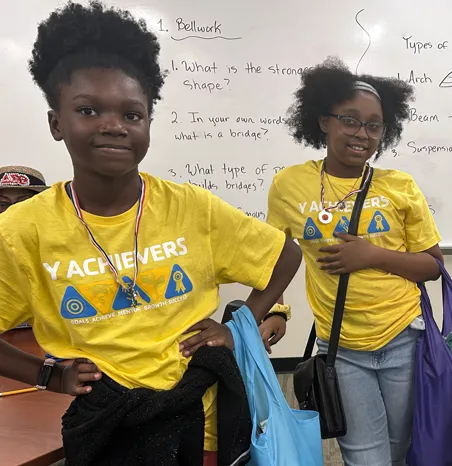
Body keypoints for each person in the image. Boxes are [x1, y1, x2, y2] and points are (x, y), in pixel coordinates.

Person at [0, 2, 301, 464]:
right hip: (107, 423)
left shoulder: (190, 207)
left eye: (132, 115)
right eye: (88, 110)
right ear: (56, 123)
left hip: (203, 422)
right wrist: (46, 374)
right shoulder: (22, 229)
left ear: (147, 125)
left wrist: (235, 329)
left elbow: (284, 255)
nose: (113, 126)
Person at [265, 57, 443, 466]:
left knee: (403, 452)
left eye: (374, 125)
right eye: (349, 120)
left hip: (404, 340)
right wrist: (275, 311)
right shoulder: (290, 183)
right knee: (365, 458)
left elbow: (433, 266)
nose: (362, 134)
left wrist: (372, 255)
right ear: (323, 121)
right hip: (341, 346)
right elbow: (275, 255)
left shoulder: (399, 186)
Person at [0, 165, 50, 329]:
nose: (12, 210)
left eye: (24, 201)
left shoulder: (60, 241)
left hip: (55, 335)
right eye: (2, 203)